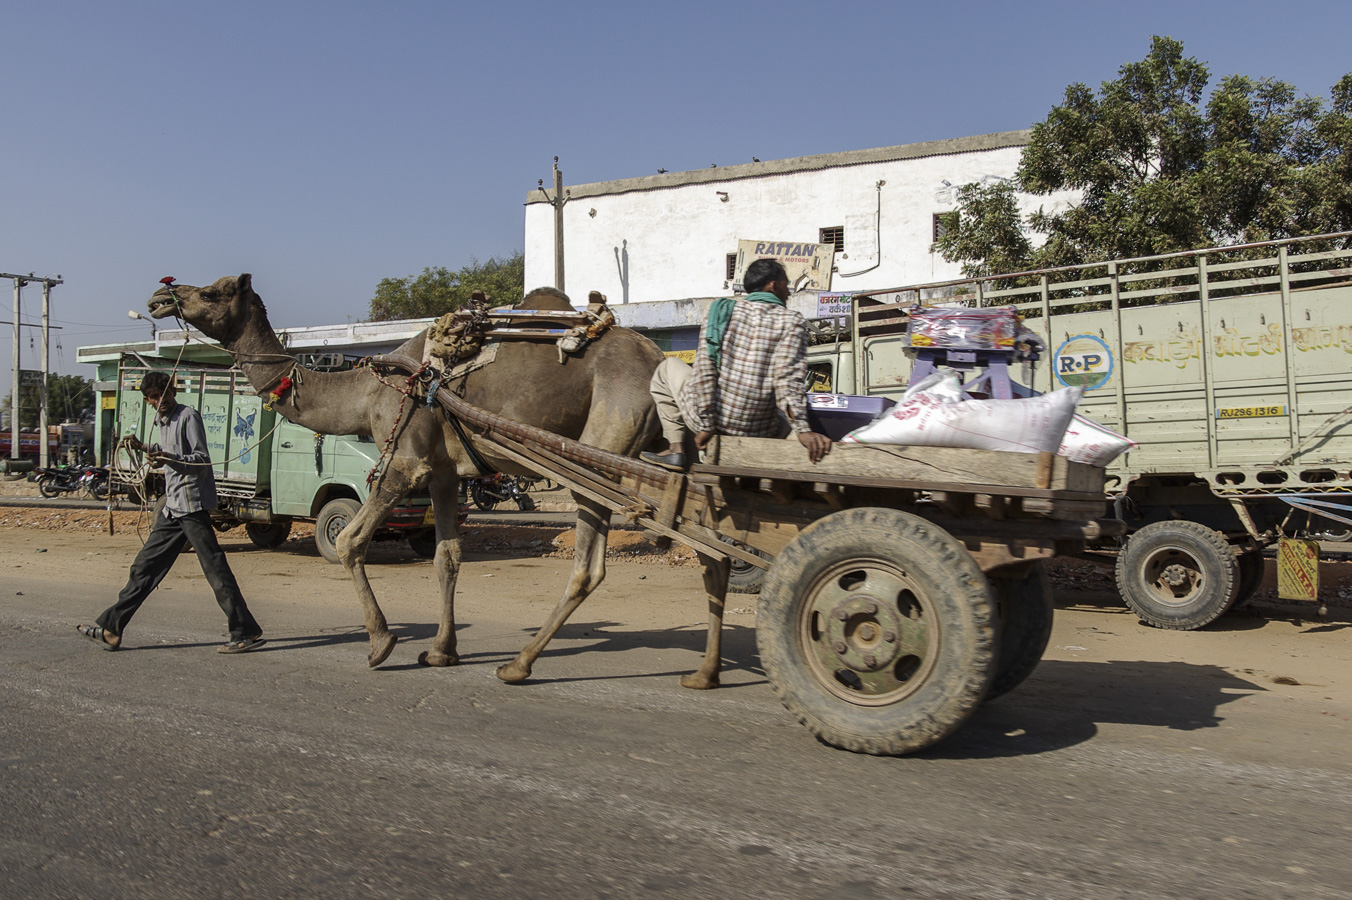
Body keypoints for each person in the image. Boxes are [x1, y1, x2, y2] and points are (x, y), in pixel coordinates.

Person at [75, 371, 264, 654]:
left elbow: (200, 459)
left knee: (215, 568)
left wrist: (169, 459)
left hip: (191, 505)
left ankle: (244, 631)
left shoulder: (188, 416)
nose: (156, 402)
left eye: (159, 395)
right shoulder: (160, 421)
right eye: (151, 398)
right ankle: (112, 629)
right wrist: (145, 448)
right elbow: (166, 452)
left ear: (171, 391)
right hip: (172, 506)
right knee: (144, 567)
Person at [643, 257, 832, 469]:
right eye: (785, 284)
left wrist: (706, 425)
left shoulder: (722, 311)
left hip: (710, 422)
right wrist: (803, 430)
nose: (788, 291)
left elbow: (706, 371)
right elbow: (788, 382)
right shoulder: (791, 321)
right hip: (758, 429)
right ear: (773, 284)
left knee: (667, 368)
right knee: (781, 417)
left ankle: (676, 449)